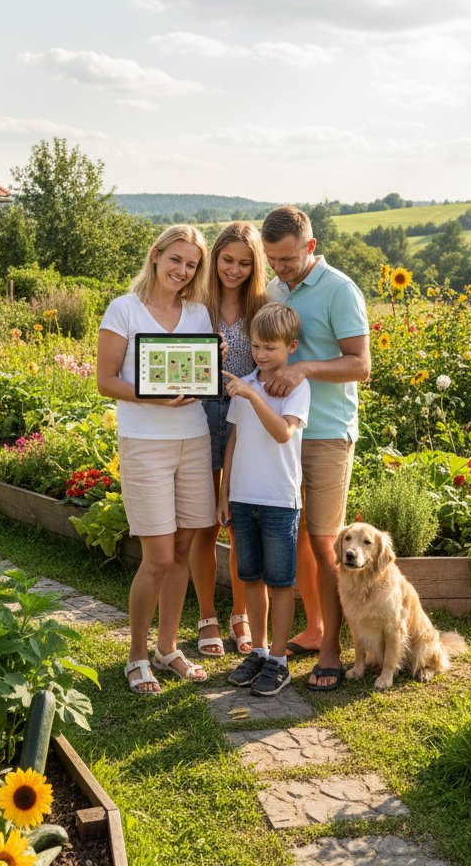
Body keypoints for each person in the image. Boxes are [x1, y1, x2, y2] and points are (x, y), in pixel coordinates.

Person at [97, 224, 217, 695]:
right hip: (145, 442)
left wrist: (210, 366)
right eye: (176, 260)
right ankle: (137, 655)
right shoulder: (124, 309)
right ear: (156, 256)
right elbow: (106, 380)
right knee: (159, 557)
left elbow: (199, 372)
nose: (183, 271)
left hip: (194, 438)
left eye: (191, 265)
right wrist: (155, 397)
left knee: (184, 551)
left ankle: (169, 649)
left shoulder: (198, 313)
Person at [260, 206, 370, 692]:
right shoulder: (277, 290)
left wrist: (304, 369)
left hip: (326, 430)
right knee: (297, 534)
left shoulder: (340, 289)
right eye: (271, 260)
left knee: (326, 541)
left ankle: (331, 653)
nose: (278, 269)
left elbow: (359, 365)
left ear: (309, 246)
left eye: (285, 259)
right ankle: (316, 626)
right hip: (286, 430)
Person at [217, 303, 310, 696]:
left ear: (290, 347)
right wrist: (224, 492)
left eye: (269, 347)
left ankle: (279, 659)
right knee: (250, 578)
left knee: (281, 582)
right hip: (243, 497)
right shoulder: (246, 382)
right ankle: (257, 650)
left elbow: (282, 434)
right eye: (255, 346)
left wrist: (253, 396)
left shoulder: (297, 387)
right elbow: (234, 441)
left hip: (278, 499)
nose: (260, 354)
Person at [189, 222, 268, 659]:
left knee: (239, 521)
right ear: (214, 258)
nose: (233, 269)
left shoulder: (262, 306)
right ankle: (207, 615)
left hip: (244, 419)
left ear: (254, 266)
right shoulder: (196, 305)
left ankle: (240, 613)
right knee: (203, 523)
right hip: (198, 413)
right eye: (226, 260)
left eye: (243, 262)